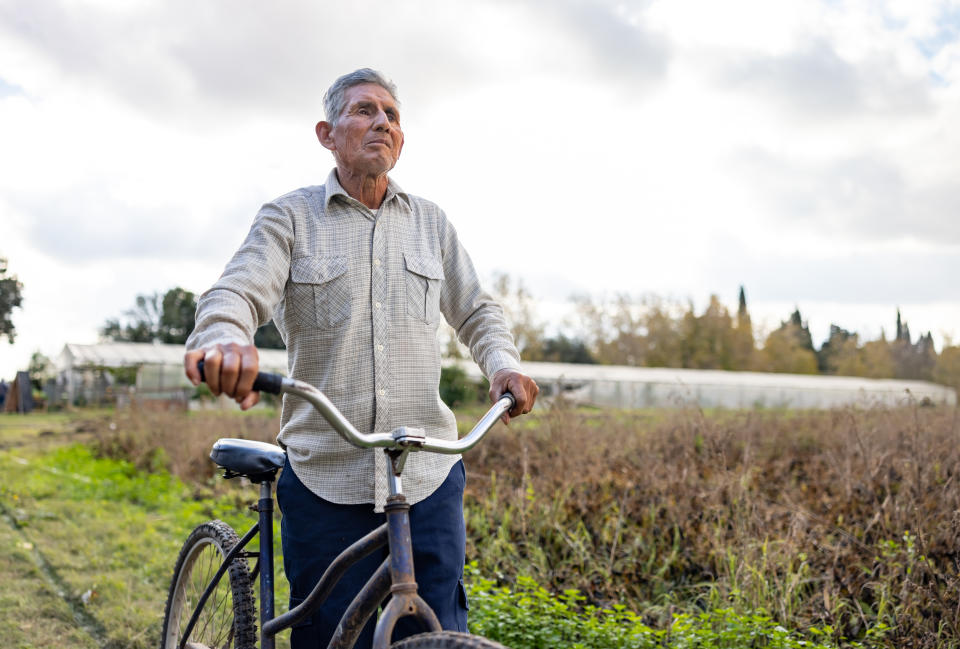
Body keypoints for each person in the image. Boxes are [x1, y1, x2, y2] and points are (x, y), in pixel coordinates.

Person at [183, 68, 538, 649]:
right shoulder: (289, 218)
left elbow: (476, 310)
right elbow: (236, 292)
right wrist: (225, 338)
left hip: (428, 473)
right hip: (326, 474)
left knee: (440, 630)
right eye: (365, 110)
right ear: (327, 133)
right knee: (328, 636)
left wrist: (503, 363)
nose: (382, 122)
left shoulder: (431, 223)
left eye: (392, 115)